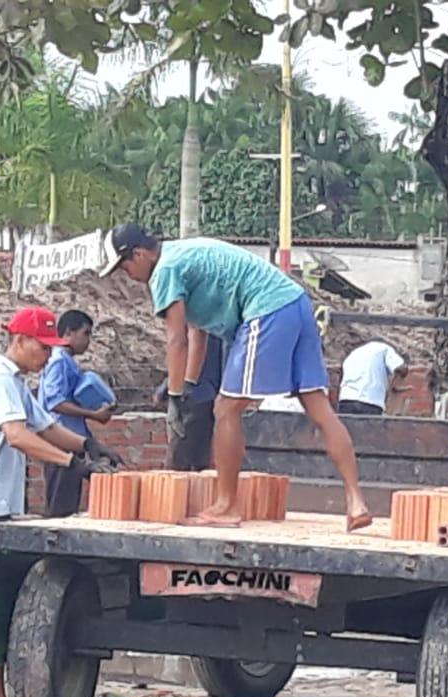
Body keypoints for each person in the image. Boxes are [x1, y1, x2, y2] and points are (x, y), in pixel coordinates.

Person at [103, 224, 371, 532]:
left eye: (125, 267)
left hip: (267, 310)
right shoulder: (185, 254)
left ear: (139, 254)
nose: (128, 276)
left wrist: (175, 400)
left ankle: (227, 506)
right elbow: (197, 333)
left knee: (226, 409)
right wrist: (186, 386)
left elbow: (177, 340)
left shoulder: (164, 271)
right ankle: (356, 502)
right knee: (318, 407)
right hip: (297, 304)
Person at [0, 306, 121, 697]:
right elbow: (19, 436)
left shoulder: (17, 383)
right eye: (42, 348)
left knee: (0, 600)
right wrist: (69, 463)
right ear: (18, 341)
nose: (46, 356)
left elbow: (44, 426)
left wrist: (87, 447)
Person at [37, 310, 114, 517]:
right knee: (60, 509)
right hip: (60, 442)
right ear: (69, 333)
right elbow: (56, 402)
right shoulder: (59, 360)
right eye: (85, 333)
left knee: (68, 503)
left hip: (71, 441)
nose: (88, 340)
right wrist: (94, 415)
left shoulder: (66, 360)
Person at [151, 332, 225, 471]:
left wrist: (175, 392)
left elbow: (182, 343)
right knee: (200, 466)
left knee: (177, 466)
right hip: (210, 394)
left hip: (191, 397)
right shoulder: (218, 317)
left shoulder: (192, 318)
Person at [337, 340, 408, 416]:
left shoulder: (352, 354)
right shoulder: (385, 348)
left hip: (346, 401)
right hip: (369, 402)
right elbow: (401, 367)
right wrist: (403, 374)